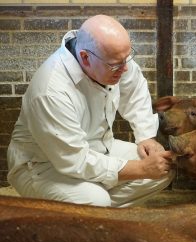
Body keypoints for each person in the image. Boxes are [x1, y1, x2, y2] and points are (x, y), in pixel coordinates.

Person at [7, 15, 174, 207]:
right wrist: (141, 169)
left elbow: (134, 91)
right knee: (95, 200)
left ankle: (89, 214)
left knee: (164, 168)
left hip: (99, 147)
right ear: (85, 57)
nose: (125, 68)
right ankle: (88, 211)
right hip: (43, 165)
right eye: (116, 65)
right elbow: (74, 159)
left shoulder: (114, 59)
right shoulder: (51, 90)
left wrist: (146, 137)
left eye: (126, 58)